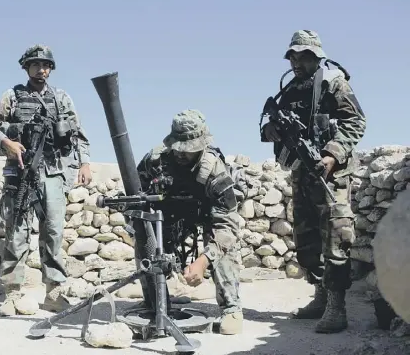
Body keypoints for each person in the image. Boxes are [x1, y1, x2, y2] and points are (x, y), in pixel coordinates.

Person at [260, 30, 366, 333]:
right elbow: (275, 123)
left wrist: (333, 153)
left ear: (315, 57)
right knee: (307, 241)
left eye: (303, 56)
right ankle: (319, 295)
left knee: (336, 238)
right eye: (292, 56)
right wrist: (271, 130)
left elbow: (355, 121)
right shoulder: (291, 88)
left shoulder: (334, 84)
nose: (296, 61)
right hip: (302, 174)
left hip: (331, 176)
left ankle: (337, 306)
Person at [0, 44, 92, 316]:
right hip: (20, 172)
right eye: (35, 64)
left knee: (53, 233)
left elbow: (78, 134)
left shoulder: (61, 98)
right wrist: (7, 143)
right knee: (17, 233)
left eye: (45, 65)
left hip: (53, 172)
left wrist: (85, 162)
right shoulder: (12, 96)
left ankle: (54, 292)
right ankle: (12, 294)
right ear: (26, 67)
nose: (41, 69)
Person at [136, 109, 243, 335]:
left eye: (189, 149)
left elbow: (226, 226)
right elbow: (137, 194)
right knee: (143, 232)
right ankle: (155, 302)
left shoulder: (214, 169)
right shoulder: (154, 161)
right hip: (167, 216)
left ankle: (231, 308)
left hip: (207, 215)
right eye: (179, 147)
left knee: (224, 246)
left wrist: (204, 261)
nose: (182, 154)